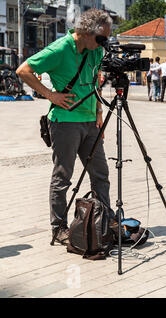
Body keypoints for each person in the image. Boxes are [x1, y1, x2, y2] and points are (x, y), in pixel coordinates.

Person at [16, 9, 112, 245]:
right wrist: (50, 95)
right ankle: (58, 227)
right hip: (65, 123)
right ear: (86, 33)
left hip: (90, 121)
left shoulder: (95, 50)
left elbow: (95, 78)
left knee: (101, 174)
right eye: (102, 38)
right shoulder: (60, 49)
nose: (105, 44)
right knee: (63, 177)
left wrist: (99, 111)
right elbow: (23, 71)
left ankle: (105, 222)